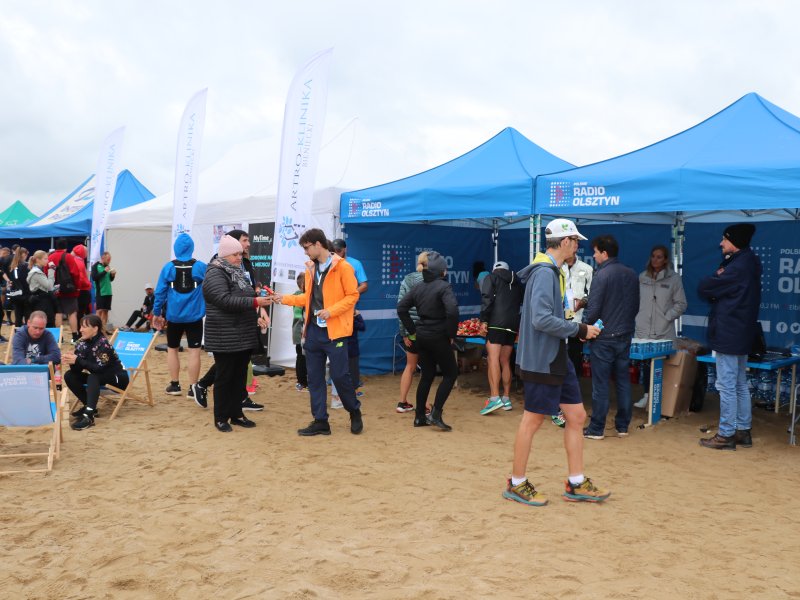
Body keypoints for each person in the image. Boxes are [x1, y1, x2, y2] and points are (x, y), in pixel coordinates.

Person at [503, 218, 607, 507]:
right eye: (575, 241)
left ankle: (576, 482)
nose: (577, 247)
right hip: (542, 360)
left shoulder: (552, 271)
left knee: (576, 416)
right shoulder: (545, 273)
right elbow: (541, 319)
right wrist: (580, 329)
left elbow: (547, 318)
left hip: (555, 356)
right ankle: (516, 483)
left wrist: (574, 330)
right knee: (533, 419)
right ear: (565, 242)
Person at [274, 228, 363, 436]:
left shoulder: (343, 267)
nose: (305, 252)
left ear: (318, 244)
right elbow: (306, 298)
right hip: (313, 331)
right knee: (314, 378)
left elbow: (352, 296)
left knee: (340, 376)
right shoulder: (310, 269)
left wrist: (331, 311)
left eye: (307, 248)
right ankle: (321, 421)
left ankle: (354, 411)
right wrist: (283, 298)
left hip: (335, 332)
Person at [697, 223, 761, 450]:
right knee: (739, 383)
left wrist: (717, 277)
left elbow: (705, 287)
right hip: (741, 332)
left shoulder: (737, 267)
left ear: (735, 241)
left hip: (729, 332)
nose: (721, 243)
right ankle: (743, 430)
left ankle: (726, 434)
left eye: (725, 239)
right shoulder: (748, 262)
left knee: (726, 385)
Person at [202, 235, 272, 432]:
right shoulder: (215, 273)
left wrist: (257, 303)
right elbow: (224, 300)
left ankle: (237, 414)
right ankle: (221, 417)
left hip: (241, 333)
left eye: (240, 254)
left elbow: (244, 296)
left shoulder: (236, 271)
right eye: (236, 254)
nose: (240, 257)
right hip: (224, 334)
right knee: (224, 377)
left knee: (239, 376)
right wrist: (255, 302)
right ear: (225, 255)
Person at [581, 234, 639, 440]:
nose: (594, 256)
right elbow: (635, 306)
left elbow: (593, 309)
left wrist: (586, 329)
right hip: (625, 334)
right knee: (623, 381)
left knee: (601, 384)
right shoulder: (631, 273)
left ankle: (597, 428)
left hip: (604, 337)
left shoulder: (602, 275)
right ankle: (622, 426)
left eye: (596, 252)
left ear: (604, 253)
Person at [397, 250, 459, 431]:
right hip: (438, 335)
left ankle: (419, 417)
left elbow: (401, 308)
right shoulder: (444, 287)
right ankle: (435, 413)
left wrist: (412, 330)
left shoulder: (419, 287)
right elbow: (452, 311)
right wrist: (451, 334)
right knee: (450, 374)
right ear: (441, 271)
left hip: (422, 336)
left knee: (427, 375)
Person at [151, 233, 207, 400]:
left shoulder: (168, 267)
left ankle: (175, 385)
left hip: (174, 316)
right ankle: (193, 388)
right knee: (194, 351)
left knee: (172, 349)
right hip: (195, 316)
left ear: (176, 249)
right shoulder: (201, 267)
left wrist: (156, 313)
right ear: (192, 248)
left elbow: (160, 292)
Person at [633, 245, 688, 408]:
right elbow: (635, 300)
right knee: (646, 364)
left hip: (663, 330)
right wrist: (637, 316)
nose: (655, 260)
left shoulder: (674, 279)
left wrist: (667, 317)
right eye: (653, 256)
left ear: (665, 260)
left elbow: (681, 304)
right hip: (643, 328)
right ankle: (647, 396)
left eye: (659, 257)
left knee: (661, 365)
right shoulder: (642, 277)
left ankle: (662, 399)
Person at [63, 314, 129, 431]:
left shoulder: (103, 344)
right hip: (99, 376)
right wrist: (72, 361)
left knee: (93, 377)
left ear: (95, 328)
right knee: (69, 375)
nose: (80, 330)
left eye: (84, 327)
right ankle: (90, 407)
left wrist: (78, 360)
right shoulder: (82, 343)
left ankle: (89, 416)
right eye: (80, 326)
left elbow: (99, 369)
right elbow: (77, 370)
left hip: (118, 379)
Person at [479, 260, 524, 415]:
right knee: (505, 360)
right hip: (512, 324)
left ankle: (494, 398)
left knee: (493, 359)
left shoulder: (491, 278)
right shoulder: (517, 282)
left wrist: (484, 320)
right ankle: (506, 398)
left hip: (496, 323)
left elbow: (487, 298)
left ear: (494, 269)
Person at [331, 238, 367, 392]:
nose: (336, 254)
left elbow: (364, 285)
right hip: (331, 311)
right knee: (333, 344)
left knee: (350, 346)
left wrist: (349, 295)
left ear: (345, 249)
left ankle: (353, 381)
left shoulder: (355, 263)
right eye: (334, 251)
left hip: (348, 311)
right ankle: (334, 379)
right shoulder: (328, 263)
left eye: (339, 251)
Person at [396, 251, 428, 413]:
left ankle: (402, 402)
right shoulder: (433, 281)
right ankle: (425, 405)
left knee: (410, 366)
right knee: (427, 369)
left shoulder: (407, 280)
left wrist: (404, 333)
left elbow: (400, 307)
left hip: (411, 332)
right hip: (428, 330)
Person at [563, 252, 594, 377]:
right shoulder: (556, 268)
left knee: (575, 361)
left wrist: (583, 302)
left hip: (577, 323)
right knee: (557, 361)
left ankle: (574, 387)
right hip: (557, 323)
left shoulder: (587, 269)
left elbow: (594, 295)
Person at [49, 238, 84, 343]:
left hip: (54, 289)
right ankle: (74, 337)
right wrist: (77, 287)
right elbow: (75, 273)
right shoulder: (68, 256)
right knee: (72, 312)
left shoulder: (50, 257)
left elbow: (47, 272)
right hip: (68, 289)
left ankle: (59, 338)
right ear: (66, 247)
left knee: (58, 313)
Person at [26, 250, 58, 327]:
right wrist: (51, 270)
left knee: (46, 322)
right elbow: (49, 286)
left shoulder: (37, 270)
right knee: (47, 323)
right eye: (45, 259)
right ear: (38, 259)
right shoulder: (37, 272)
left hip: (41, 300)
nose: (47, 261)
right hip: (42, 302)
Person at [91, 251, 116, 333]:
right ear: (103, 258)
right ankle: (96, 330)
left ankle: (103, 329)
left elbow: (109, 279)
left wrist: (112, 275)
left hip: (108, 292)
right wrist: (104, 271)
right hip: (100, 292)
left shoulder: (107, 266)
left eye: (110, 260)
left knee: (106, 311)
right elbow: (94, 277)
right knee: (99, 311)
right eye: (108, 260)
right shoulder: (95, 266)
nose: (109, 261)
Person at [291, 273, 308, 391]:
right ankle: (301, 382)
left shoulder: (308, 295)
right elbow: (298, 315)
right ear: (302, 285)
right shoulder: (299, 296)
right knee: (301, 357)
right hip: (300, 332)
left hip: (307, 333)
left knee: (307, 357)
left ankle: (306, 381)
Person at [6, 246, 30, 326]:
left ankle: (18, 332)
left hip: (15, 294)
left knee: (18, 316)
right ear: (23, 254)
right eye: (26, 254)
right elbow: (25, 281)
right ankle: (26, 332)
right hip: (25, 294)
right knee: (27, 317)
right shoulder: (25, 266)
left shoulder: (12, 266)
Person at [72, 244, 92, 324]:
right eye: (86, 252)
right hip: (82, 290)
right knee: (82, 312)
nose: (87, 254)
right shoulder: (79, 262)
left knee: (81, 312)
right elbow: (81, 278)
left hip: (80, 290)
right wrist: (87, 284)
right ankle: (81, 328)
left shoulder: (77, 260)